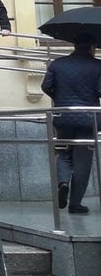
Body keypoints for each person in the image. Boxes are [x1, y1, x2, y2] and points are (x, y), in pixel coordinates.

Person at [41, 35, 101, 215]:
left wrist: (58, 98)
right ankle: (75, 204)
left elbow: (46, 86)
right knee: (83, 162)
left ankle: (63, 183)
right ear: (92, 47)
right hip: (88, 120)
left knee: (63, 153)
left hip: (63, 117)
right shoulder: (98, 65)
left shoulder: (58, 64)